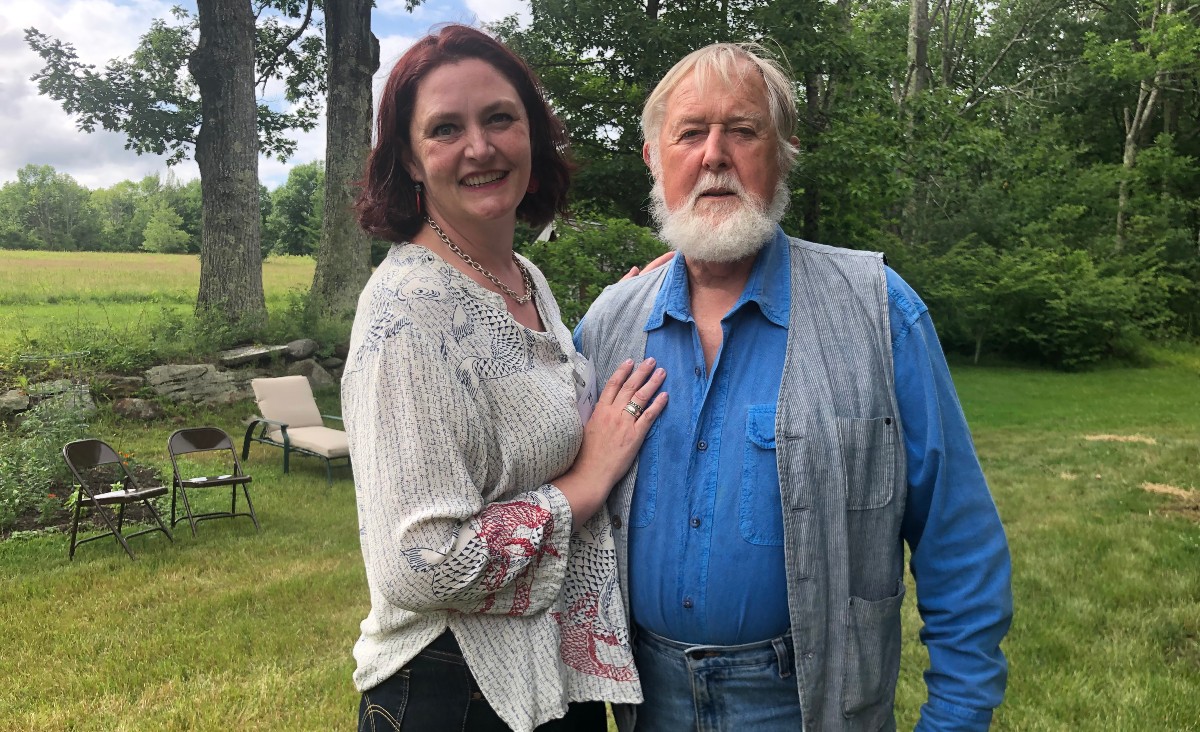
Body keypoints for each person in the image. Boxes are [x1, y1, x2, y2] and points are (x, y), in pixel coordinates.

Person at [574, 43, 1013, 731]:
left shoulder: (880, 311)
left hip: (806, 706)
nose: (714, 155)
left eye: (742, 131)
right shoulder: (607, 326)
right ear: (655, 159)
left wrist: (955, 717)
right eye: (690, 133)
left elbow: (958, 540)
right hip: (642, 703)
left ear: (784, 152)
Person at [341, 24, 668, 732]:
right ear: (410, 157)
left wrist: (630, 305)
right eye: (446, 128)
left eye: (499, 119)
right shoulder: (403, 316)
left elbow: (520, 396)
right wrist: (587, 483)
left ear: (533, 135)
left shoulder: (522, 278)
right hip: (453, 694)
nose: (480, 147)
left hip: (542, 679)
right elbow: (422, 566)